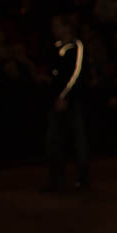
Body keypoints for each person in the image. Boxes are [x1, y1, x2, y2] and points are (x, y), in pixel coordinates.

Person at [41, 15, 90, 191]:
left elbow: (77, 74)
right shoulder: (55, 47)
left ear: (67, 27)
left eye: (57, 26)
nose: (54, 29)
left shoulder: (77, 47)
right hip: (55, 101)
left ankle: (82, 179)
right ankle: (56, 178)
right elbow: (52, 72)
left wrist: (65, 96)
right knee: (54, 139)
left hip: (72, 101)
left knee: (78, 139)